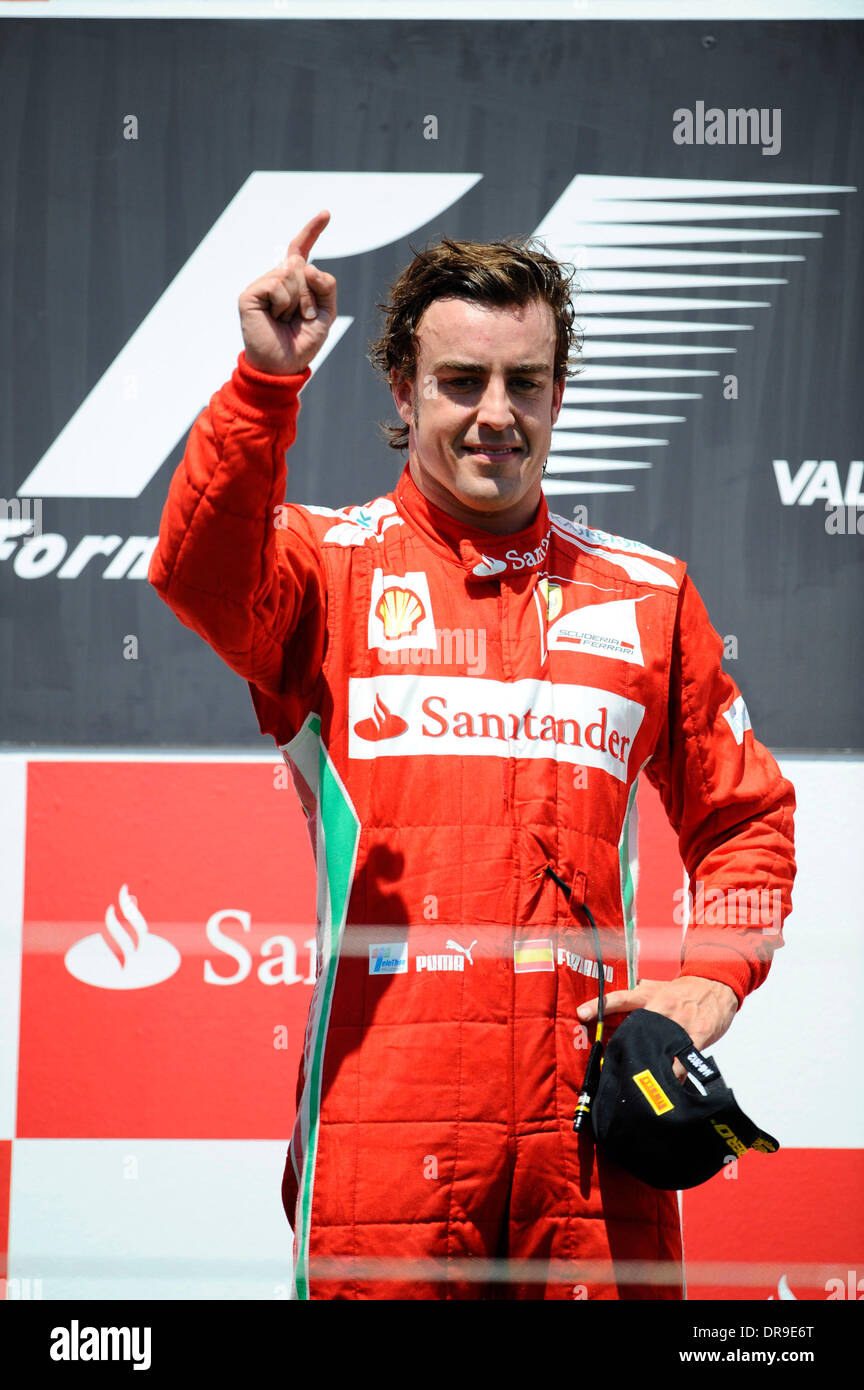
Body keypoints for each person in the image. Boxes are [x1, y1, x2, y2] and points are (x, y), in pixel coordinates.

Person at [149, 210, 796, 1300]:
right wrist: (264, 389)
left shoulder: (646, 593)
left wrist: (712, 977)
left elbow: (747, 822)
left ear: (557, 391)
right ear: (403, 393)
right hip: (383, 1132)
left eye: (526, 383)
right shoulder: (325, 569)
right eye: (460, 381)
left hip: (590, 1150)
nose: (496, 415)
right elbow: (201, 575)